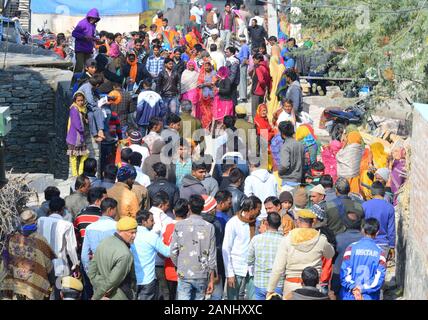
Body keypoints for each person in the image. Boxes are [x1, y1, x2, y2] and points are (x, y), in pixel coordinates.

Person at [267, 209, 335, 298]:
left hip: (291, 287)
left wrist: (270, 290)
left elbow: (278, 268)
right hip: (313, 288)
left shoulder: (287, 239)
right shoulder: (320, 239)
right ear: (313, 222)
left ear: (298, 221)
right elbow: (330, 254)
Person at [0, 210, 56, 300]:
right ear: (35, 221)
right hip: (32, 285)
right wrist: (52, 281)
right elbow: (49, 264)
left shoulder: (12, 238)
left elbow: (5, 261)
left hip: (15, 285)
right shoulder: (40, 240)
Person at [170, 195, 216, 300]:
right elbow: (212, 256)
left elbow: (173, 251)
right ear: (203, 208)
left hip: (184, 272)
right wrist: (211, 280)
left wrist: (179, 264)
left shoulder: (179, 225)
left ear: (189, 207)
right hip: (202, 273)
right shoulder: (209, 227)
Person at [37, 197, 80, 299]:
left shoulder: (40, 221)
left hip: (42, 264)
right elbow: (71, 248)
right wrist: (75, 264)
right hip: (59, 266)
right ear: (62, 210)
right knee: (58, 292)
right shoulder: (67, 225)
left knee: (44, 293)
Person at [88, 217, 138, 300]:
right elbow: (112, 281)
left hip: (102, 292)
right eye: (131, 233)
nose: (134, 236)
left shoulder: (104, 242)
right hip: (118, 295)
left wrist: (99, 286)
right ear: (121, 231)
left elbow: (91, 272)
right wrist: (96, 297)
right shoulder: (125, 254)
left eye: (136, 233)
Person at [223, 197, 261, 300]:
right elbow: (226, 248)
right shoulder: (233, 223)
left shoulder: (257, 223)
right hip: (236, 268)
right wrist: (229, 273)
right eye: (258, 209)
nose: (260, 212)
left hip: (252, 269)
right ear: (251, 209)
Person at [340, 218, 387, 300]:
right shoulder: (380, 253)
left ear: (362, 230)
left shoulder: (350, 248)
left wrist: (354, 287)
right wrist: (363, 289)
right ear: (377, 232)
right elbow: (379, 279)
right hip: (369, 296)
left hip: (350, 295)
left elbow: (344, 273)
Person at [132, 210, 170, 300]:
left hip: (133, 279)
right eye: (152, 220)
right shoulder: (152, 236)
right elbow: (168, 252)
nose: (154, 222)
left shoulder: (131, 235)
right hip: (147, 279)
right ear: (144, 222)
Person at [248, 212, 284, 300]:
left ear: (266, 223)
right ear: (279, 224)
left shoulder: (256, 239)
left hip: (260, 283)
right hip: (277, 284)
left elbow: (249, 260)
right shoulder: (285, 241)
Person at [331, 205, 364, 296]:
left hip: (340, 279)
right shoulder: (364, 239)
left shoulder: (338, 238)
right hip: (359, 280)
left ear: (345, 223)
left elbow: (332, 258)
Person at [81, 198, 118, 274]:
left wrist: (89, 272)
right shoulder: (117, 226)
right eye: (115, 210)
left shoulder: (90, 228)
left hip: (97, 269)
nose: (116, 213)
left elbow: (84, 255)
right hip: (115, 269)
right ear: (110, 210)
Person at [162, 199, 189, 300]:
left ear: (173, 211)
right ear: (188, 213)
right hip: (186, 270)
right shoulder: (189, 228)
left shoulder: (168, 227)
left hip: (170, 268)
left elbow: (164, 247)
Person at [200, 195, 225, 300]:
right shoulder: (216, 224)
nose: (216, 209)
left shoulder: (194, 223)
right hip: (214, 264)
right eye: (214, 207)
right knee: (216, 295)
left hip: (198, 266)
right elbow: (218, 246)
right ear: (209, 209)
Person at [362, 181, 396, 258]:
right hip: (383, 245)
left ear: (371, 193)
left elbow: (361, 226)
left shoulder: (364, 206)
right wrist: (392, 246)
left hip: (367, 243)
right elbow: (391, 230)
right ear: (384, 193)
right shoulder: (389, 207)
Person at [278, 121, 305, 192]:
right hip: (298, 181)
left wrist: (279, 172)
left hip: (288, 183)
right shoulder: (300, 144)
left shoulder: (285, 146)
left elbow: (284, 165)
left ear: (282, 134)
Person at [66, 92, 89, 177]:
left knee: (82, 155)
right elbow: (77, 124)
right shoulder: (74, 109)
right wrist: (83, 130)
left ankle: (79, 172)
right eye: (78, 100)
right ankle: (76, 174)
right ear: (75, 101)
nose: (81, 102)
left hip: (77, 137)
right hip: (74, 137)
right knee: (74, 157)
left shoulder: (81, 109)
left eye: (82, 100)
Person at [72, 8, 100, 73]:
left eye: (95, 18)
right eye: (92, 18)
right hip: (80, 49)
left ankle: (85, 81)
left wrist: (95, 39)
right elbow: (74, 33)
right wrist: (84, 37)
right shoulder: (82, 23)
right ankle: (75, 82)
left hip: (88, 49)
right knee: (79, 67)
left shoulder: (93, 25)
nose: (93, 20)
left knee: (88, 67)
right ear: (89, 17)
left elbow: (91, 36)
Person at [267, 45, 286, 121]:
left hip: (272, 90)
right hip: (279, 91)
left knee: (271, 106)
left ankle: (270, 120)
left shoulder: (271, 67)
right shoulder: (282, 67)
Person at [196, 61, 216, 129]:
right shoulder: (202, 74)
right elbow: (198, 85)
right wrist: (206, 84)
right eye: (205, 65)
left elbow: (213, 83)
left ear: (211, 66)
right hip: (203, 96)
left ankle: (211, 125)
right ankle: (206, 125)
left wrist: (204, 84)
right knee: (204, 111)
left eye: (208, 65)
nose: (207, 67)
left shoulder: (214, 73)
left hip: (212, 96)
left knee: (212, 111)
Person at [250, 53, 271, 119]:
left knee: (255, 111)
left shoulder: (258, 68)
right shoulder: (265, 67)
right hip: (262, 91)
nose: (253, 61)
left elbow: (261, 80)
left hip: (256, 91)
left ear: (258, 59)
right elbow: (268, 79)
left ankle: (255, 127)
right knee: (261, 110)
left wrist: (262, 85)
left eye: (254, 60)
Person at [238, 35, 250, 103]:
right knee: (241, 81)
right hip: (242, 65)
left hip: (242, 65)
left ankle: (243, 97)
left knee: (242, 81)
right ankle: (242, 95)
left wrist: (241, 65)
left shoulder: (244, 47)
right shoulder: (243, 46)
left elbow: (245, 57)